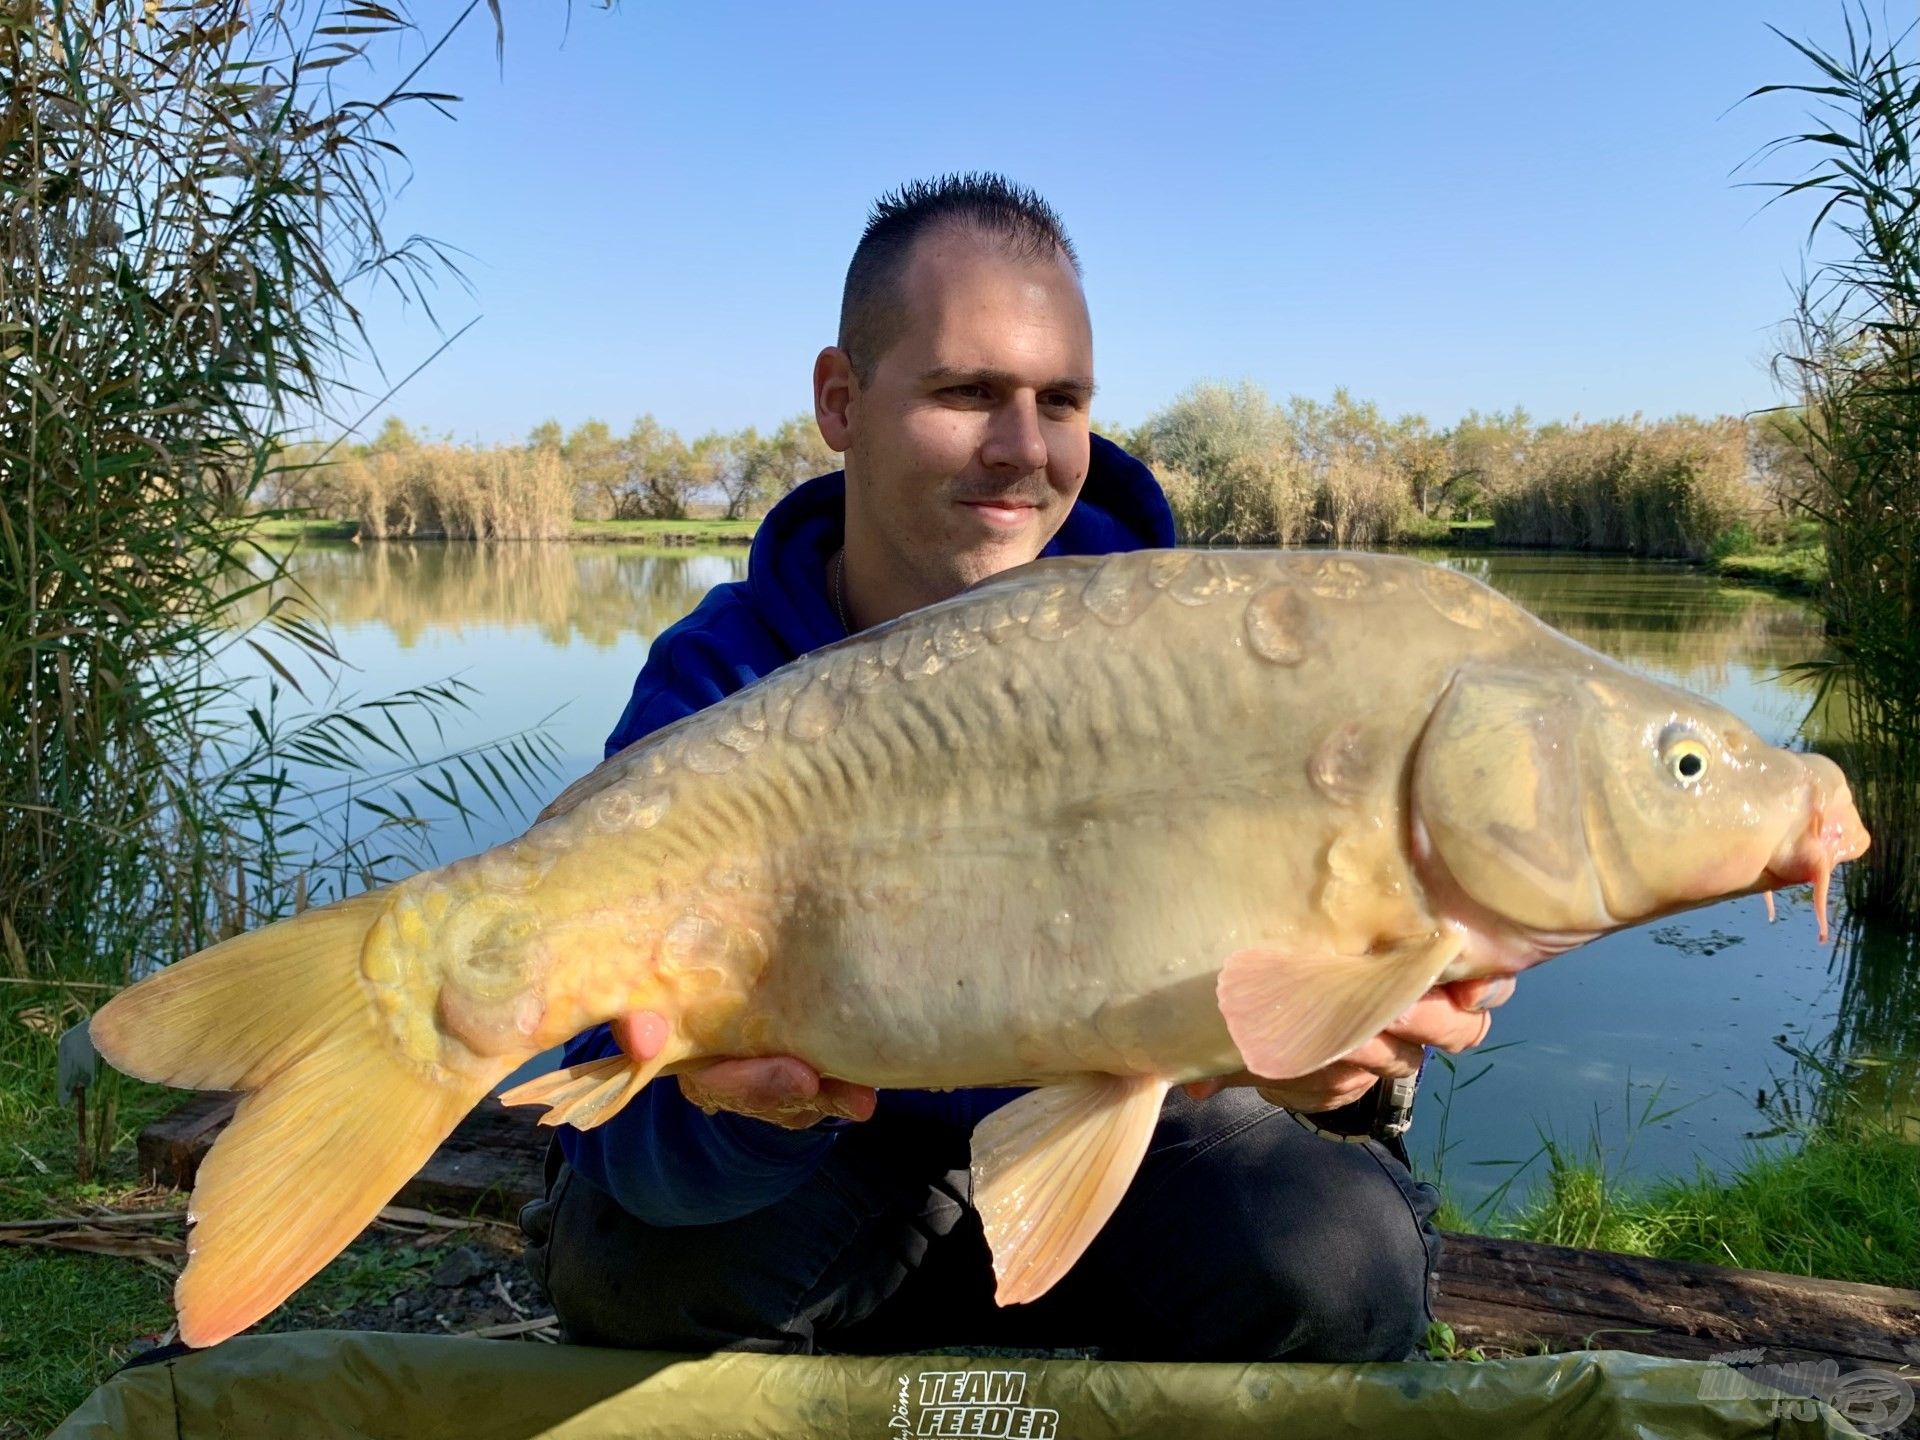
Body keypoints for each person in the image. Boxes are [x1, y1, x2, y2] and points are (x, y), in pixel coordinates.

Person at [520, 173, 1507, 1362]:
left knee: (1341, 1264)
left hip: (1149, 1118)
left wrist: (1340, 1067)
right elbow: (607, 1120)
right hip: (840, 1149)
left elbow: (1349, 968)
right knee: (630, 1271)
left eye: (1063, 399)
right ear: (841, 400)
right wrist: (752, 1118)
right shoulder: (724, 682)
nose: (1024, 450)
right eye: (968, 392)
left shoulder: (1216, 659)